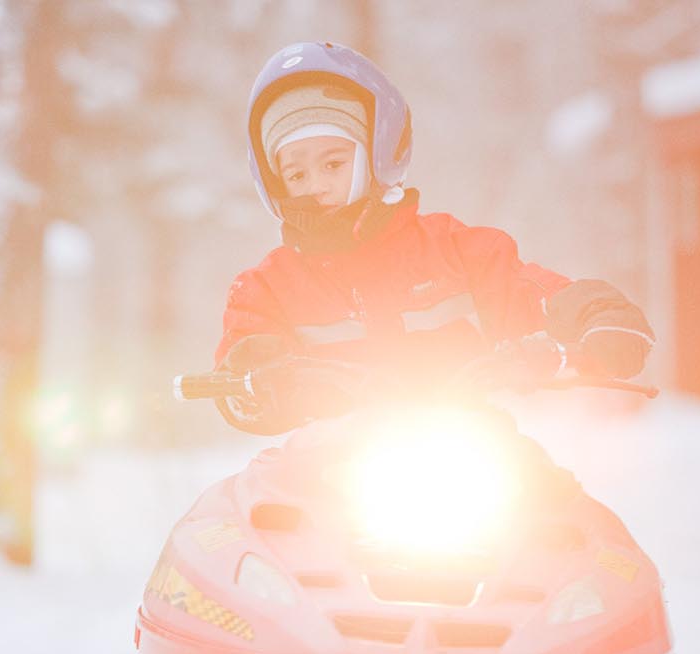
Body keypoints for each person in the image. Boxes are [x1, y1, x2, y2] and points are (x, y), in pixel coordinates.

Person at [215, 41, 655, 434]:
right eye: (296, 172)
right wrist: (256, 375)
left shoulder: (455, 252)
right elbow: (241, 364)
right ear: (275, 183)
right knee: (238, 517)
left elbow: (526, 291)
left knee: (567, 518)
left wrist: (590, 313)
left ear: (377, 153)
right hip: (320, 477)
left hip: (464, 457)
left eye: (333, 164)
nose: (317, 184)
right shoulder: (268, 288)